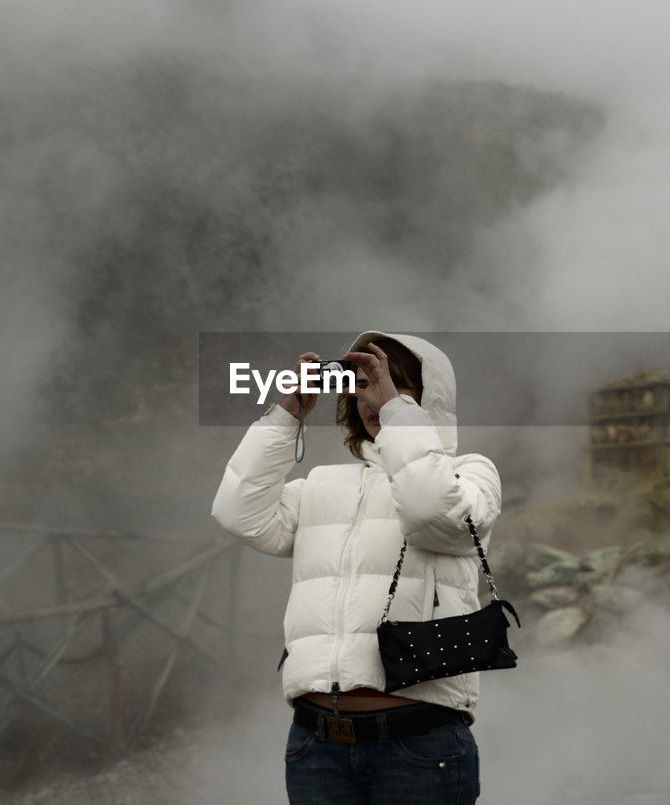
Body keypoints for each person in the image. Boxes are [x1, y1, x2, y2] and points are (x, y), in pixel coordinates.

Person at [212, 331, 501, 804]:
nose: (374, 396)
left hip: (421, 744)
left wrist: (397, 417)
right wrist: (288, 414)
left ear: (431, 400)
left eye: (394, 384)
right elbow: (238, 511)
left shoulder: (470, 474)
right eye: (362, 384)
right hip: (316, 743)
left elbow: (432, 512)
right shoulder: (322, 484)